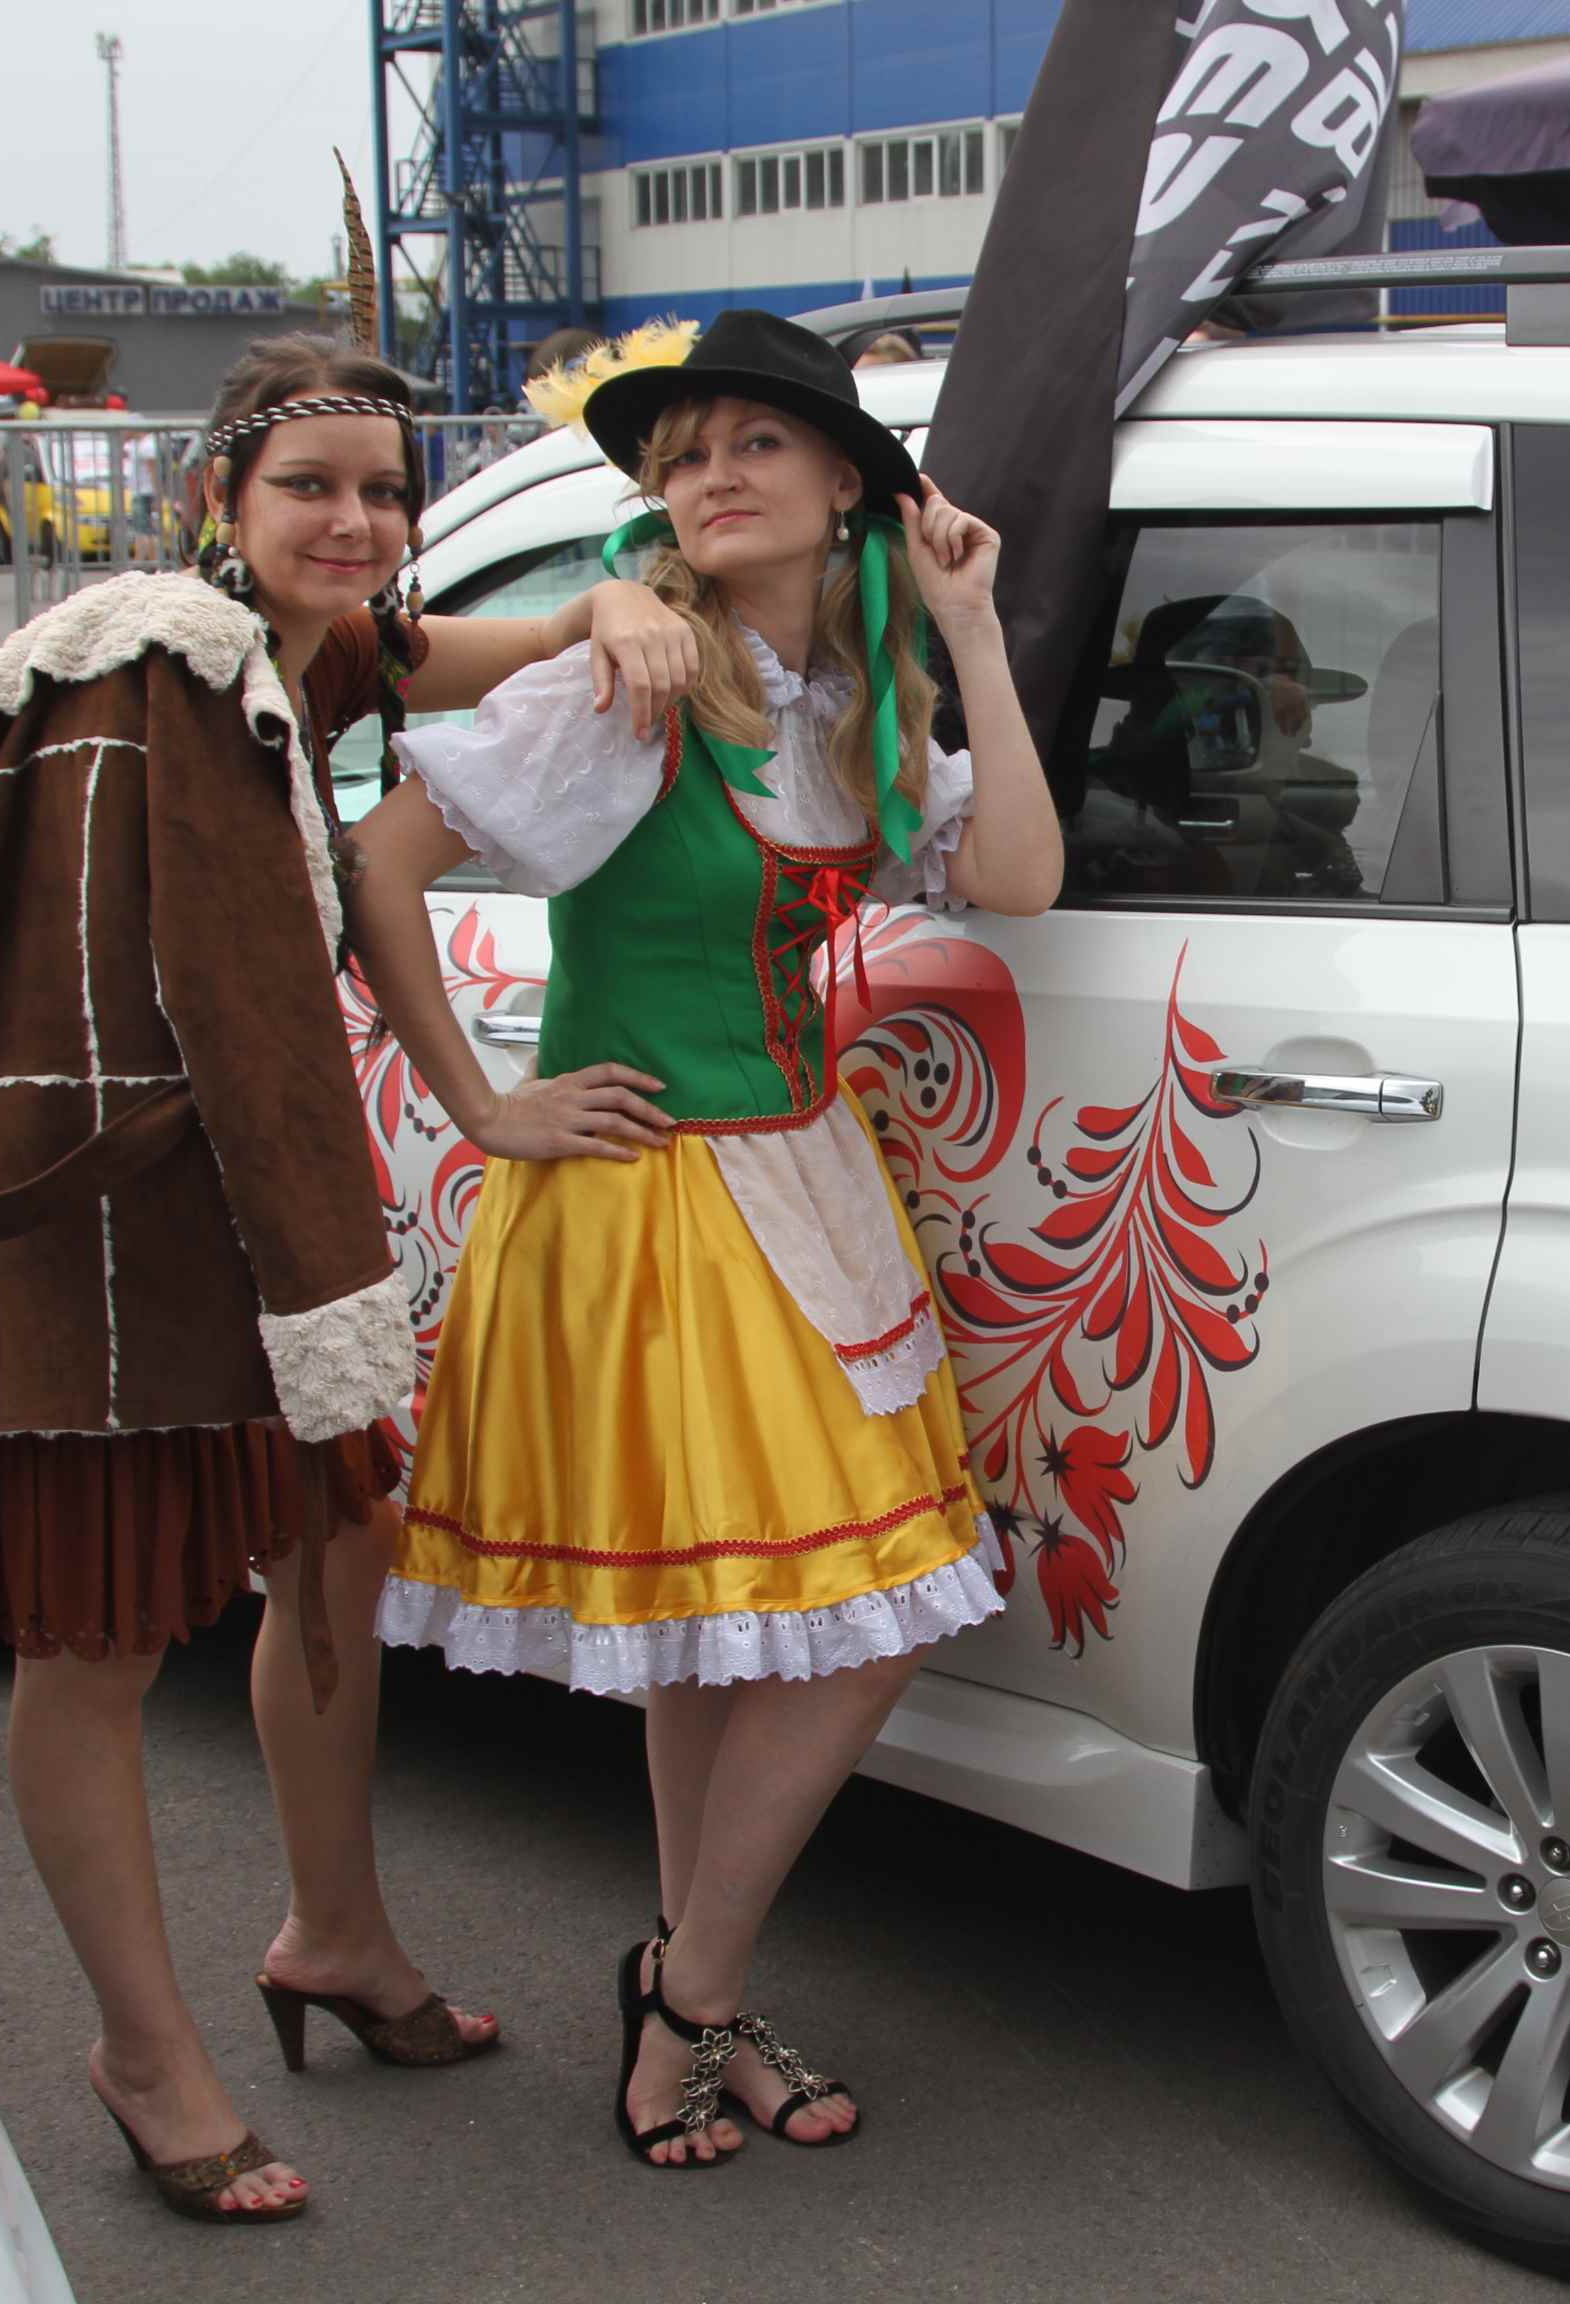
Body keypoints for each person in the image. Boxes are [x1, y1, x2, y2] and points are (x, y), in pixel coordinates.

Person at [0, 326, 702, 2227]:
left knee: (338, 1548)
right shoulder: (160, 672)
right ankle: (142, 2051)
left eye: (383, 492)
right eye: (310, 489)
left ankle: (332, 1935)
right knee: (93, 1646)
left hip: (242, 1222)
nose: (355, 523)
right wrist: (474, 1113)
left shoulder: (288, 646)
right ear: (218, 495)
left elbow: (428, 653)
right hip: (108, 1242)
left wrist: (606, 600)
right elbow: (222, 1010)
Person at [344, 309, 1062, 2168]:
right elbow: (380, 865)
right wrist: (485, 1102)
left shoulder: (858, 702)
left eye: (756, 443)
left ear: (849, 488)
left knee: (731, 1635)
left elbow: (1019, 874)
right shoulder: (629, 682)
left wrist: (972, 629)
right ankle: (695, 1989)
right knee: (849, 1608)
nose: (709, 477)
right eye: (681, 457)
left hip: (802, 1180)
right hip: (644, 1200)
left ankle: (693, 1988)